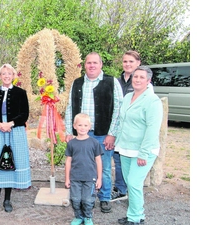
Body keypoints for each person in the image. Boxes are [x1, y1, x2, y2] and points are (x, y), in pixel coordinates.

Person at [64, 52, 123, 214]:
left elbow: (119, 109)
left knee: (103, 168)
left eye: (95, 63)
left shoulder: (111, 82)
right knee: (82, 166)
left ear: (101, 64)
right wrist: (69, 131)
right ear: (85, 65)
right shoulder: (77, 83)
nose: (92, 66)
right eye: (89, 63)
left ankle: (104, 198)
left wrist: (112, 133)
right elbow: (69, 107)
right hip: (81, 134)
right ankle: (85, 197)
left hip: (103, 134)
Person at [115, 66, 163, 225]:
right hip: (126, 148)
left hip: (144, 150)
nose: (137, 80)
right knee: (130, 183)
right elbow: (121, 122)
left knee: (134, 183)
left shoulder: (153, 101)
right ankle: (137, 214)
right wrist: (117, 143)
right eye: (135, 77)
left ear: (148, 81)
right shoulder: (128, 96)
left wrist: (143, 153)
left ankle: (135, 219)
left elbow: (152, 129)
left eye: (142, 77)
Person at [0, 63, 31, 214]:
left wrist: (10, 123)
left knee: (10, 162)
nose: (7, 76)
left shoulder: (21, 93)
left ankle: (7, 200)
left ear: (13, 76)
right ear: (0, 76)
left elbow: (24, 114)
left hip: (14, 130)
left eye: (9, 73)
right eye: (4, 74)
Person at [111, 50, 141, 202]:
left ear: (138, 63)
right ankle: (121, 189)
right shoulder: (117, 81)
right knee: (118, 159)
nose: (128, 64)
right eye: (125, 61)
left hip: (134, 128)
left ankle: (133, 190)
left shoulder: (140, 81)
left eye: (131, 61)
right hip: (118, 127)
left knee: (133, 161)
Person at [65, 113, 103, 225]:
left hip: (90, 178)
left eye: (85, 125)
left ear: (89, 127)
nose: (83, 128)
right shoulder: (71, 143)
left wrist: (99, 178)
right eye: (80, 125)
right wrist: (67, 178)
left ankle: (87, 217)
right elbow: (68, 161)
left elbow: (99, 161)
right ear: (74, 126)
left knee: (88, 200)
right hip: (75, 178)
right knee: (75, 199)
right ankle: (78, 216)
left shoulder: (94, 143)